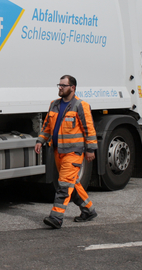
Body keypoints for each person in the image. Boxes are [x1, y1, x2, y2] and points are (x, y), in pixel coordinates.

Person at [34, 75, 98, 229]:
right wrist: (40, 140)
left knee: (63, 184)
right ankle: (88, 210)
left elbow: (89, 129)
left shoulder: (81, 105)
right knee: (71, 183)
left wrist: (90, 150)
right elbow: (47, 127)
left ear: (73, 88)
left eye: (63, 85)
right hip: (58, 152)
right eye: (59, 85)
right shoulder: (54, 105)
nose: (60, 88)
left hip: (73, 153)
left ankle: (56, 217)